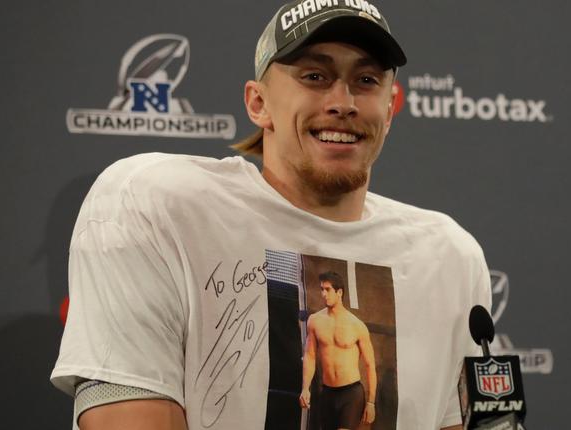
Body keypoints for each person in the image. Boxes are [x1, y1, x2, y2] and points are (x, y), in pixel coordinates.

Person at [51, 1, 491, 429]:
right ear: (258, 103)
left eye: (367, 79)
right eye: (315, 76)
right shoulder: (156, 205)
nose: (344, 101)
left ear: (390, 109)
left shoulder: (449, 257)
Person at [299, 272, 376, 430]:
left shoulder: (357, 325)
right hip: (327, 392)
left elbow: (370, 366)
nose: (323, 294)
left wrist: (371, 402)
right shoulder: (315, 321)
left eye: (327, 289)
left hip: (351, 393)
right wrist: (305, 388)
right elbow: (310, 356)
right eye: (322, 289)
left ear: (339, 292)